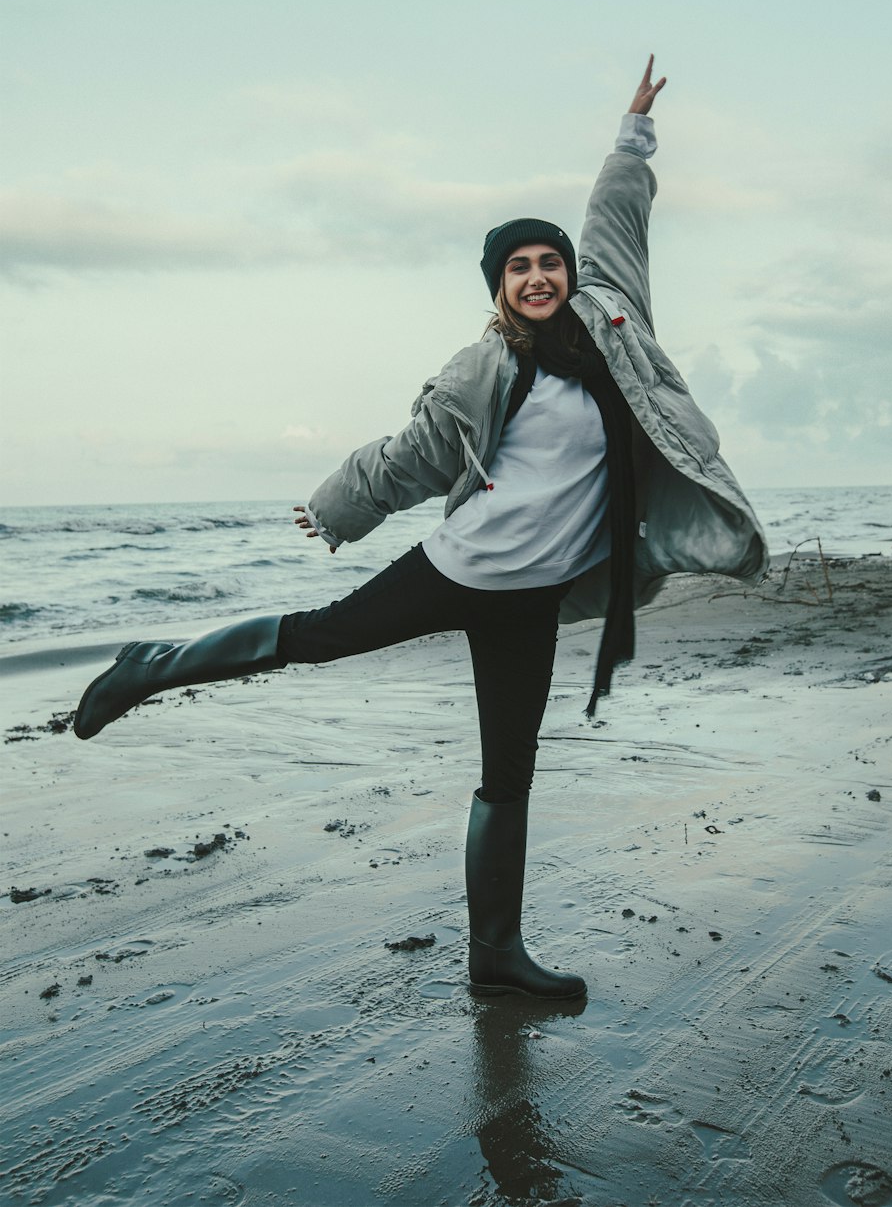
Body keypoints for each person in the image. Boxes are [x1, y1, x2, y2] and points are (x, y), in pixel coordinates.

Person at [74, 57, 768, 1001]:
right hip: (456, 567)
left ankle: (495, 960)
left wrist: (632, 130)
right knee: (312, 641)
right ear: (498, 288)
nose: (536, 277)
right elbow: (413, 455)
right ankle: (148, 666)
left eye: (547, 262)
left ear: (569, 273)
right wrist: (336, 507)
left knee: (508, 775)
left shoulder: (614, 323)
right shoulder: (484, 367)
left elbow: (616, 213)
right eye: (517, 268)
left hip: (531, 597)